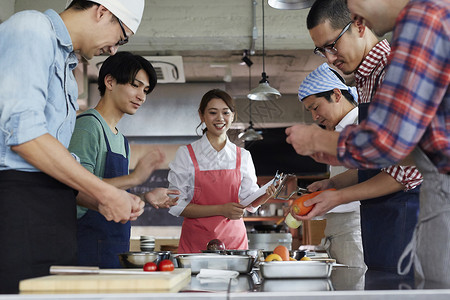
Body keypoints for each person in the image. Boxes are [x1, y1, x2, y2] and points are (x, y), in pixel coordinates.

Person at [286, 0, 449, 282]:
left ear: (358, 23)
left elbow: (405, 165)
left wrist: (325, 147)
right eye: (321, 50)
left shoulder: (393, 68)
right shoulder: (365, 79)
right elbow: (383, 159)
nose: (329, 58)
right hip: (383, 223)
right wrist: (335, 182)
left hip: (408, 214)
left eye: (332, 46)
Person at [0, 0, 145, 293]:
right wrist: (103, 190)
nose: (115, 49)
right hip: (17, 208)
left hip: (53, 213)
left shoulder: (67, 69)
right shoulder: (31, 28)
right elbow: (24, 136)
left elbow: (56, 158)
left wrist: (102, 199)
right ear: (102, 11)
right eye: (121, 37)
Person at [68, 52, 179, 268]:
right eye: (135, 85)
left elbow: (112, 195)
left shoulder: (121, 140)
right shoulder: (88, 126)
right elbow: (79, 189)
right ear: (109, 82)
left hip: (114, 247)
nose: (141, 96)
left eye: (145, 90)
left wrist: (144, 197)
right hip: (87, 247)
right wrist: (134, 178)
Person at [167, 89, 276, 253]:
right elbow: (175, 205)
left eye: (226, 112)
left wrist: (265, 195)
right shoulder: (186, 154)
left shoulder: (243, 156)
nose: (220, 118)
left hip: (233, 242)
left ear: (233, 116)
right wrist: (221, 209)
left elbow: (249, 201)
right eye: (212, 112)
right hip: (196, 242)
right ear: (201, 116)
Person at [297, 63, 365, 269]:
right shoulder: (336, 131)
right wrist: (329, 185)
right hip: (337, 229)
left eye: (316, 108)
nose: (315, 117)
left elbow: (371, 173)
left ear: (336, 94)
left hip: (356, 228)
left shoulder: (363, 124)